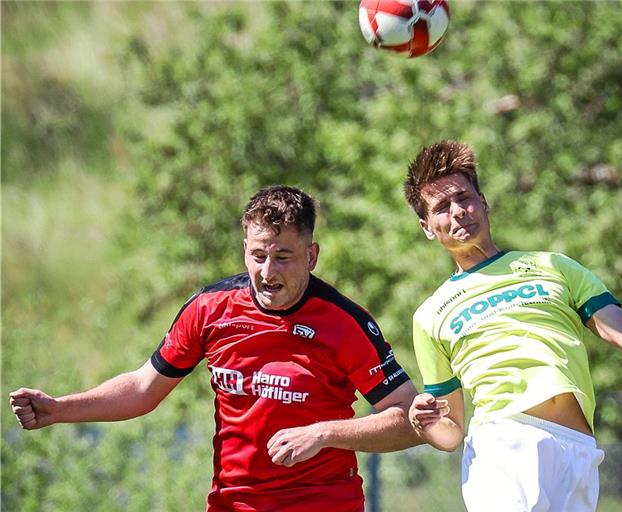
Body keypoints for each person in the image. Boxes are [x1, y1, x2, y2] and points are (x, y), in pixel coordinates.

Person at [9, 185, 421, 512]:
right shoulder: (210, 309)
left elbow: (410, 418)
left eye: (283, 256)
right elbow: (142, 389)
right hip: (231, 504)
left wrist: (324, 433)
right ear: (245, 248)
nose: (267, 271)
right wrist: (61, 409)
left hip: (320, 504)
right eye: (258, 255)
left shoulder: (344, 323)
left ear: (311, 256)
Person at [402, 140, 622, 512]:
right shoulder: (431, 314)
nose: (458, 211)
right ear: (427, 227)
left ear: (484, 201)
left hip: (577, 450)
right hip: (502, 445)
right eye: (442, 207)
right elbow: (450, 431)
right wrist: (422, 421)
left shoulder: (554, 267)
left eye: (464, 197)